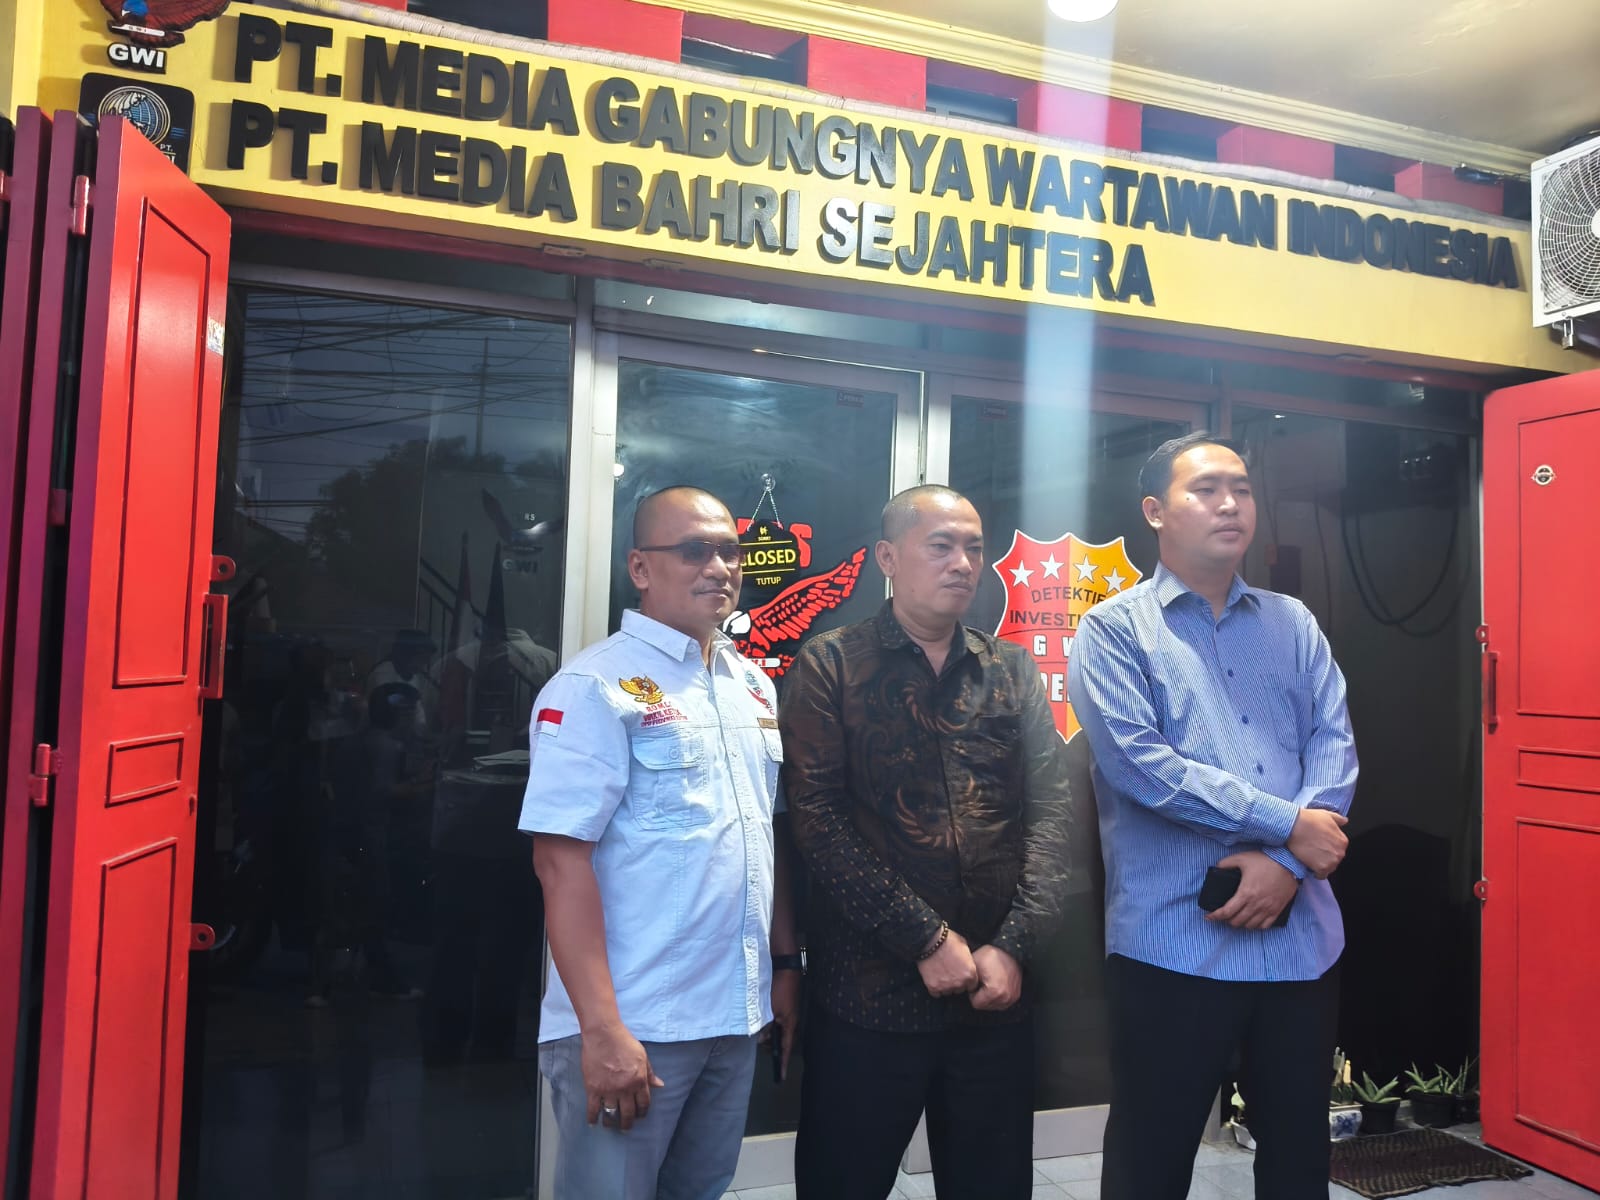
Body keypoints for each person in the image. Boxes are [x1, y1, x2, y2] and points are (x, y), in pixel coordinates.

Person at [1067, 432, 1359, 1200]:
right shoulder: (1114, 631)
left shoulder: (1293, 624)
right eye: (1205, 490)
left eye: (1242, 488)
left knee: (1299, 1159)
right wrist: (1287, 826)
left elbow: (1335, 749)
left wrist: (1289, 863)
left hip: (1300, 947)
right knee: (1151, 1159)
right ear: (1154, 511)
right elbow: (1144, 768)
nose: (1230, 504)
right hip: (1174, 949)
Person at [779, 484, 1074, 1200]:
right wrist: (926, 940)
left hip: (995, 993)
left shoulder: (1010, 670)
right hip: (869, 995)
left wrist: (1015, 945)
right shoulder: (830, 664)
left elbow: (1053, 812)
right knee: (843, 1183)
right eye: (940, 545)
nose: (962, 563)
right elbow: (815, 817)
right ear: (887, 558)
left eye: (973, 547)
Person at [519, 486, 799, 1200]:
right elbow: (559, 863)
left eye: (730, 551)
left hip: (732, 1018)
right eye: (694, 550)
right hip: (635, 1024)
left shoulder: (751, 685)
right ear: (640, 568)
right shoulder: (593, 686)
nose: (720, 567)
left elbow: (759, 840)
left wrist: (779, 971)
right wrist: (602, 1030)